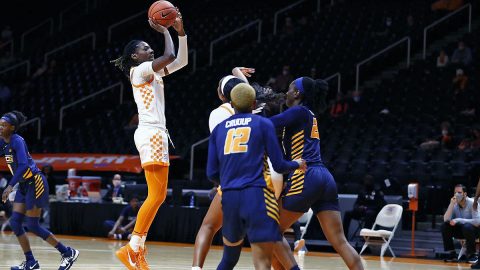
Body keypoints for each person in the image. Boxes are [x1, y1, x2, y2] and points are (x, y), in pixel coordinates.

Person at [110, 10, 187, 270]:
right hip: (151, 133)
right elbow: (170, 56)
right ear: (135, 56)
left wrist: (181, 33)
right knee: (155, 196)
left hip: (156, 133)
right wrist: (165, 31)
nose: (149, 50)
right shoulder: (139, 71)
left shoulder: (150, 73)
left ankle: (136, 249)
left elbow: (181, 61)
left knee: (158, 196)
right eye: (145, 48)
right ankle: (132, 249)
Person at [206, 83, 305, 270]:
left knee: (228, 260)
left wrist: (229, 182)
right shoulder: (263, 123)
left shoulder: (219, 129)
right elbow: (279, 165)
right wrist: (297, 164)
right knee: (262, 261)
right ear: (254, 104)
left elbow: (211, 173)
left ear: (231, 104)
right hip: (256, 195)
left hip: (230, 197)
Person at [269, 77, 363, 270]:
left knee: (269, 229)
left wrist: (247, 113)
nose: (286, 92)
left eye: (289, 88)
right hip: (324, 177)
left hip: (306, 173)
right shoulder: (307, 114)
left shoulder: (298, 111)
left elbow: (265, 126)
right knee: (340, 241)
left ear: (297, 93)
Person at [0, 111, 79, 270]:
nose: (0, 127)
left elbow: (23, 165)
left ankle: (67, 252)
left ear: (13, 127)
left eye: (3, 125)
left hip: (35, 182)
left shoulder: (17, 141)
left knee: (32, 225)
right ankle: (31, 262)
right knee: (15, 222)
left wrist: (10, 186)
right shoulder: (3, 142)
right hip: (23, 185)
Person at [442, 184, 479, 264]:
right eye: (455, 192)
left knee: (467, 226)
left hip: (475, 231)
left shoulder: (473, 203)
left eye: (459, 192)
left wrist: (459, 220)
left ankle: (473, 255)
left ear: (465, 194)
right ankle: (452, 254)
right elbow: (446, 219)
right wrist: (451, 204)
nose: (456, 195)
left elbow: (477, 222)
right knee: (445, 226)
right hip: (462, 231)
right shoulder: (454, 204)